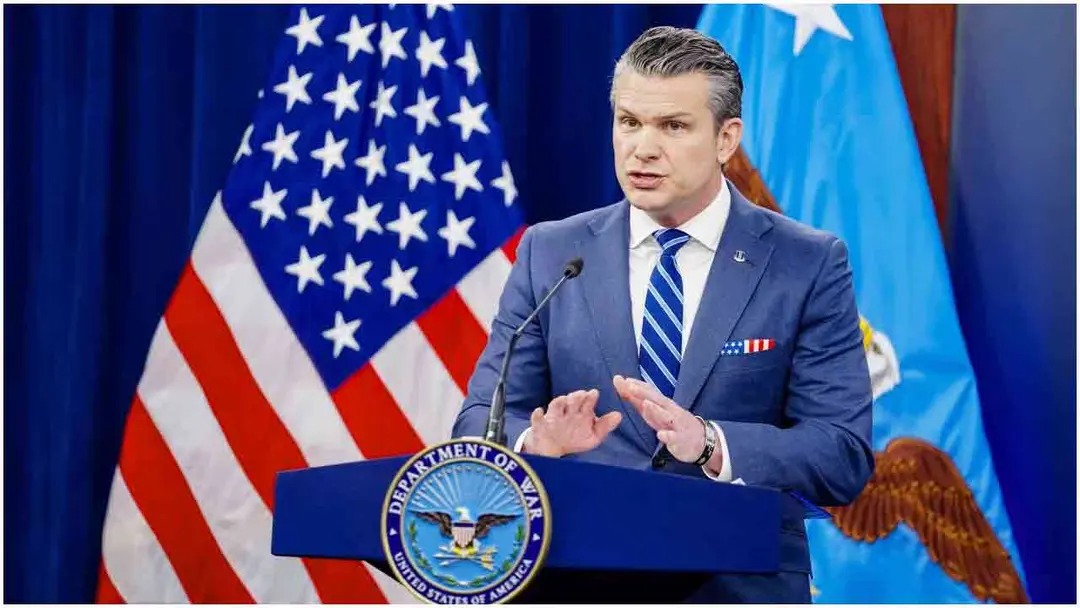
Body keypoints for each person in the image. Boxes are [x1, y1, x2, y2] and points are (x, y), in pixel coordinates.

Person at [452, 25, 874, 603]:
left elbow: (841, 452)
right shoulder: (551, 252)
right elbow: (479, 421)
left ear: (726, 139)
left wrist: (710, 442)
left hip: (736, 582)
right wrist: (534, 443)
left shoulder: (805, 263)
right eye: (629, 122)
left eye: (673, 126)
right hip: (576, 579)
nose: (643, 148)